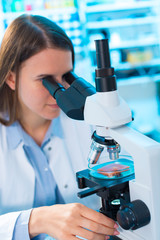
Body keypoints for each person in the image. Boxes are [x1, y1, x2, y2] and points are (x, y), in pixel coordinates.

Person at [0, 14, 120, 240]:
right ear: (11, 78)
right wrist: (37, 220)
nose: (59, 94)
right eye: (45, 79)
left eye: (65, 77)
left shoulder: (87, 122)